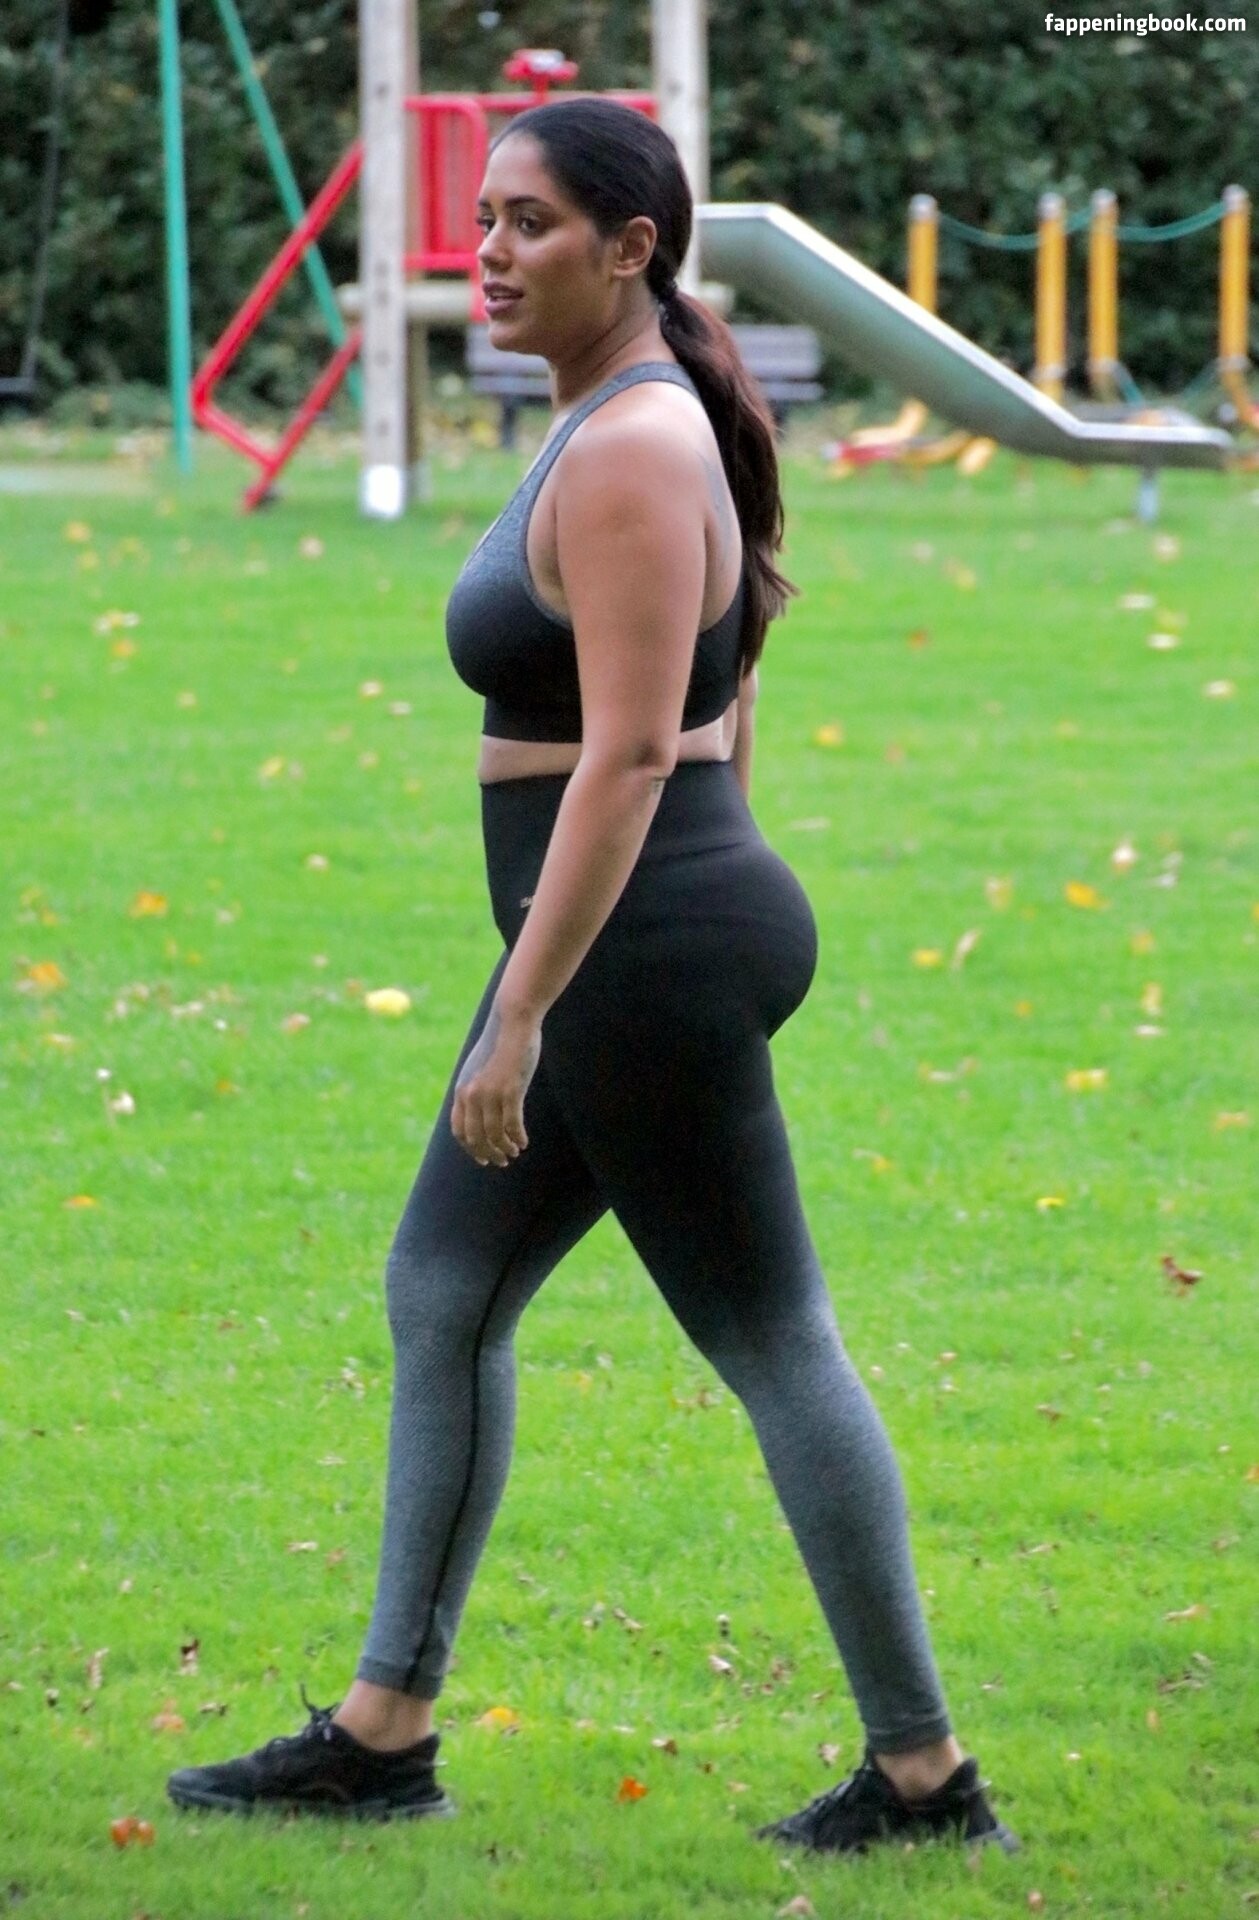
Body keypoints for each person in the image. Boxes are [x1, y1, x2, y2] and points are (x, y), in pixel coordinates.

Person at [166, 96, 1019, 1858]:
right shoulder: (637, 409)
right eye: (486, 218)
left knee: (770, 1335)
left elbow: (632, 752)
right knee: (442, 1291)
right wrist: (680, 893)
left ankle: (926, 1777)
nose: (490, 252)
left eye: (532, 223)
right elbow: (732, 670)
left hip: (631, 951)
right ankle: (384, 1731)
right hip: (649, 931)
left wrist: (528, 1012)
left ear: (631, 250)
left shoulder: (630, 444)